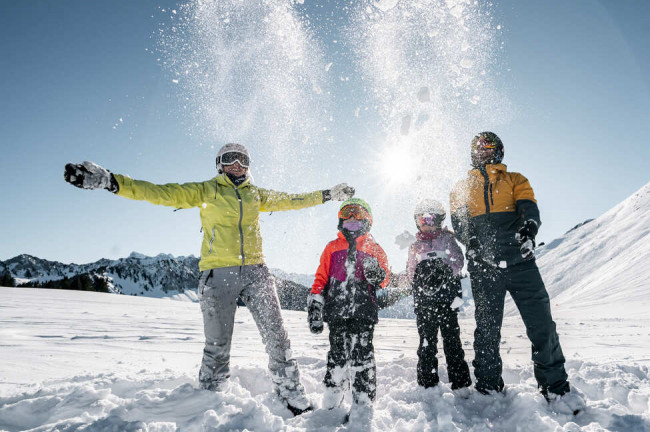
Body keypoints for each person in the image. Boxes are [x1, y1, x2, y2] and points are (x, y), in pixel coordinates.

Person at [64, 143, 354, 416]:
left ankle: (291, 393)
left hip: (257, 272)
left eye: (243, 160)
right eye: (229, 159)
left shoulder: (256, 195)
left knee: (278, 337)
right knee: (217, 345)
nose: (237, 164)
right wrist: (111, 182)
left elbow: (293, 200)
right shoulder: (206, 191)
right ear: (219, 165)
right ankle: (210, 399)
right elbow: (160, 192)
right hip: (218, 274)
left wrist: (328, 194)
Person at [449, 132, 585, 415]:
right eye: (478, 147)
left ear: (499, 151)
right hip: (484, 266)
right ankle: (488, 388)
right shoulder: (461, 187)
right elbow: (460, 223)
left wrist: (529, 229)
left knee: (542, 324)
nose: (483, 151)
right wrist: (470, 242)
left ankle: (555, 387)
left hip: (520, 261)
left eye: (489, 146)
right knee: (487, 330)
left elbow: (529, 209)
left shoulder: (515, 180)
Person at [307, 198, 390, 411]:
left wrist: (378, 274)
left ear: (367, 219)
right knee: (337, 355)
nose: (352, 217)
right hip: (337, 311)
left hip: (364, 312)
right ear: (340, 220)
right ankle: (332, 400)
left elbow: (385, 278)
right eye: (347, 213)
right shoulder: (332, 248)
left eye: (357, 213)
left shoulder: (374, 248)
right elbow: (321, 278)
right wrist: (316, 303)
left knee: (363, 356)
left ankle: (363, 402)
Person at [406, 199, 472, 392]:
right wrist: (421, 278)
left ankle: (460, 382)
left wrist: (445, 271)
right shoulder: (415, 245)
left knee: (452, 339)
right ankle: (428, 382)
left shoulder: (446, 239)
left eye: (431, 219)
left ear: (439, 220)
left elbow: (459, 260)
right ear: (417, 222)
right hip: (425, 301)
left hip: (447, 299)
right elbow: (410, 270)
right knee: (427, 341)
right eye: (422, 219)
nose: (426, 223)